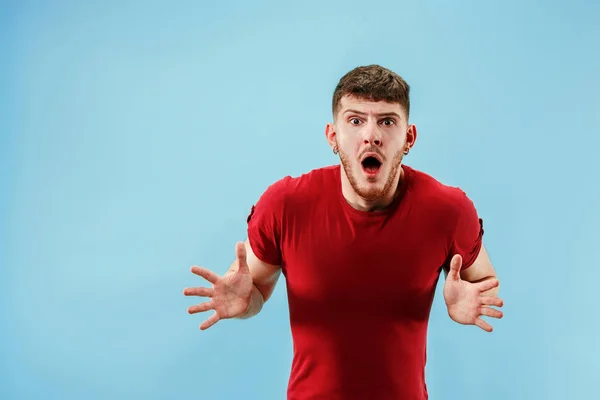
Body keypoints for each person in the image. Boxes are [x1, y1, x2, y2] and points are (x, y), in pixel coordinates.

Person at [183, 64, 504, 400]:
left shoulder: (448, 210)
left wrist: (468, 303)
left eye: (387, 121)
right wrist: (245, 302)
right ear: (333, 137)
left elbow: (485, 286)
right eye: (355, 120)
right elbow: (255, 293)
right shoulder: (284, 205)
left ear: (408, 138)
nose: (371, 135)